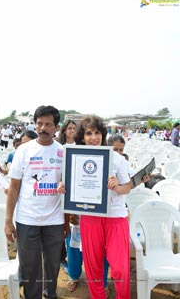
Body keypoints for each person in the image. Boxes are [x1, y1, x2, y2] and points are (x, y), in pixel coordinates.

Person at [58, 115, 131, 299]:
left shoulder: (116, 158)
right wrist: (63, 187)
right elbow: (69, 186)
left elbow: (127, 187)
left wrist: (117, 186)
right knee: (93, 270)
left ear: (103, 134)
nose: (94, 137)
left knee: (120, 269)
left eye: (97, 132)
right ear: (82, 136)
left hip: (116, 218)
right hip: (90, 218)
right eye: (89, 133)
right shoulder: (75, 158)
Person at [4, 105, 69, 299]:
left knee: (52, 265)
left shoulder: (64, 152)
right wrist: (8, 221)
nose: (43, 128)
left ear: (56, 127)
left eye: (48, 124)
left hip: (54, 220)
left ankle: (51, 294)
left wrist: (66, 220)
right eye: (39, 123)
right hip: (27, 219)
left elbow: (68, 189)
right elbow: (14, 187)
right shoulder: (23, 151)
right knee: (30, 266)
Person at [56, 119, 77, 276]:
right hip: (62, 188)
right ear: (64, 131)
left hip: (76, 188)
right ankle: (62, 256)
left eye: (74, 128)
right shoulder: (60, 148)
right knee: (63, 222)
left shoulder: (80, 146)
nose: (71, 131)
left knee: (73, 221)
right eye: (69, 128)